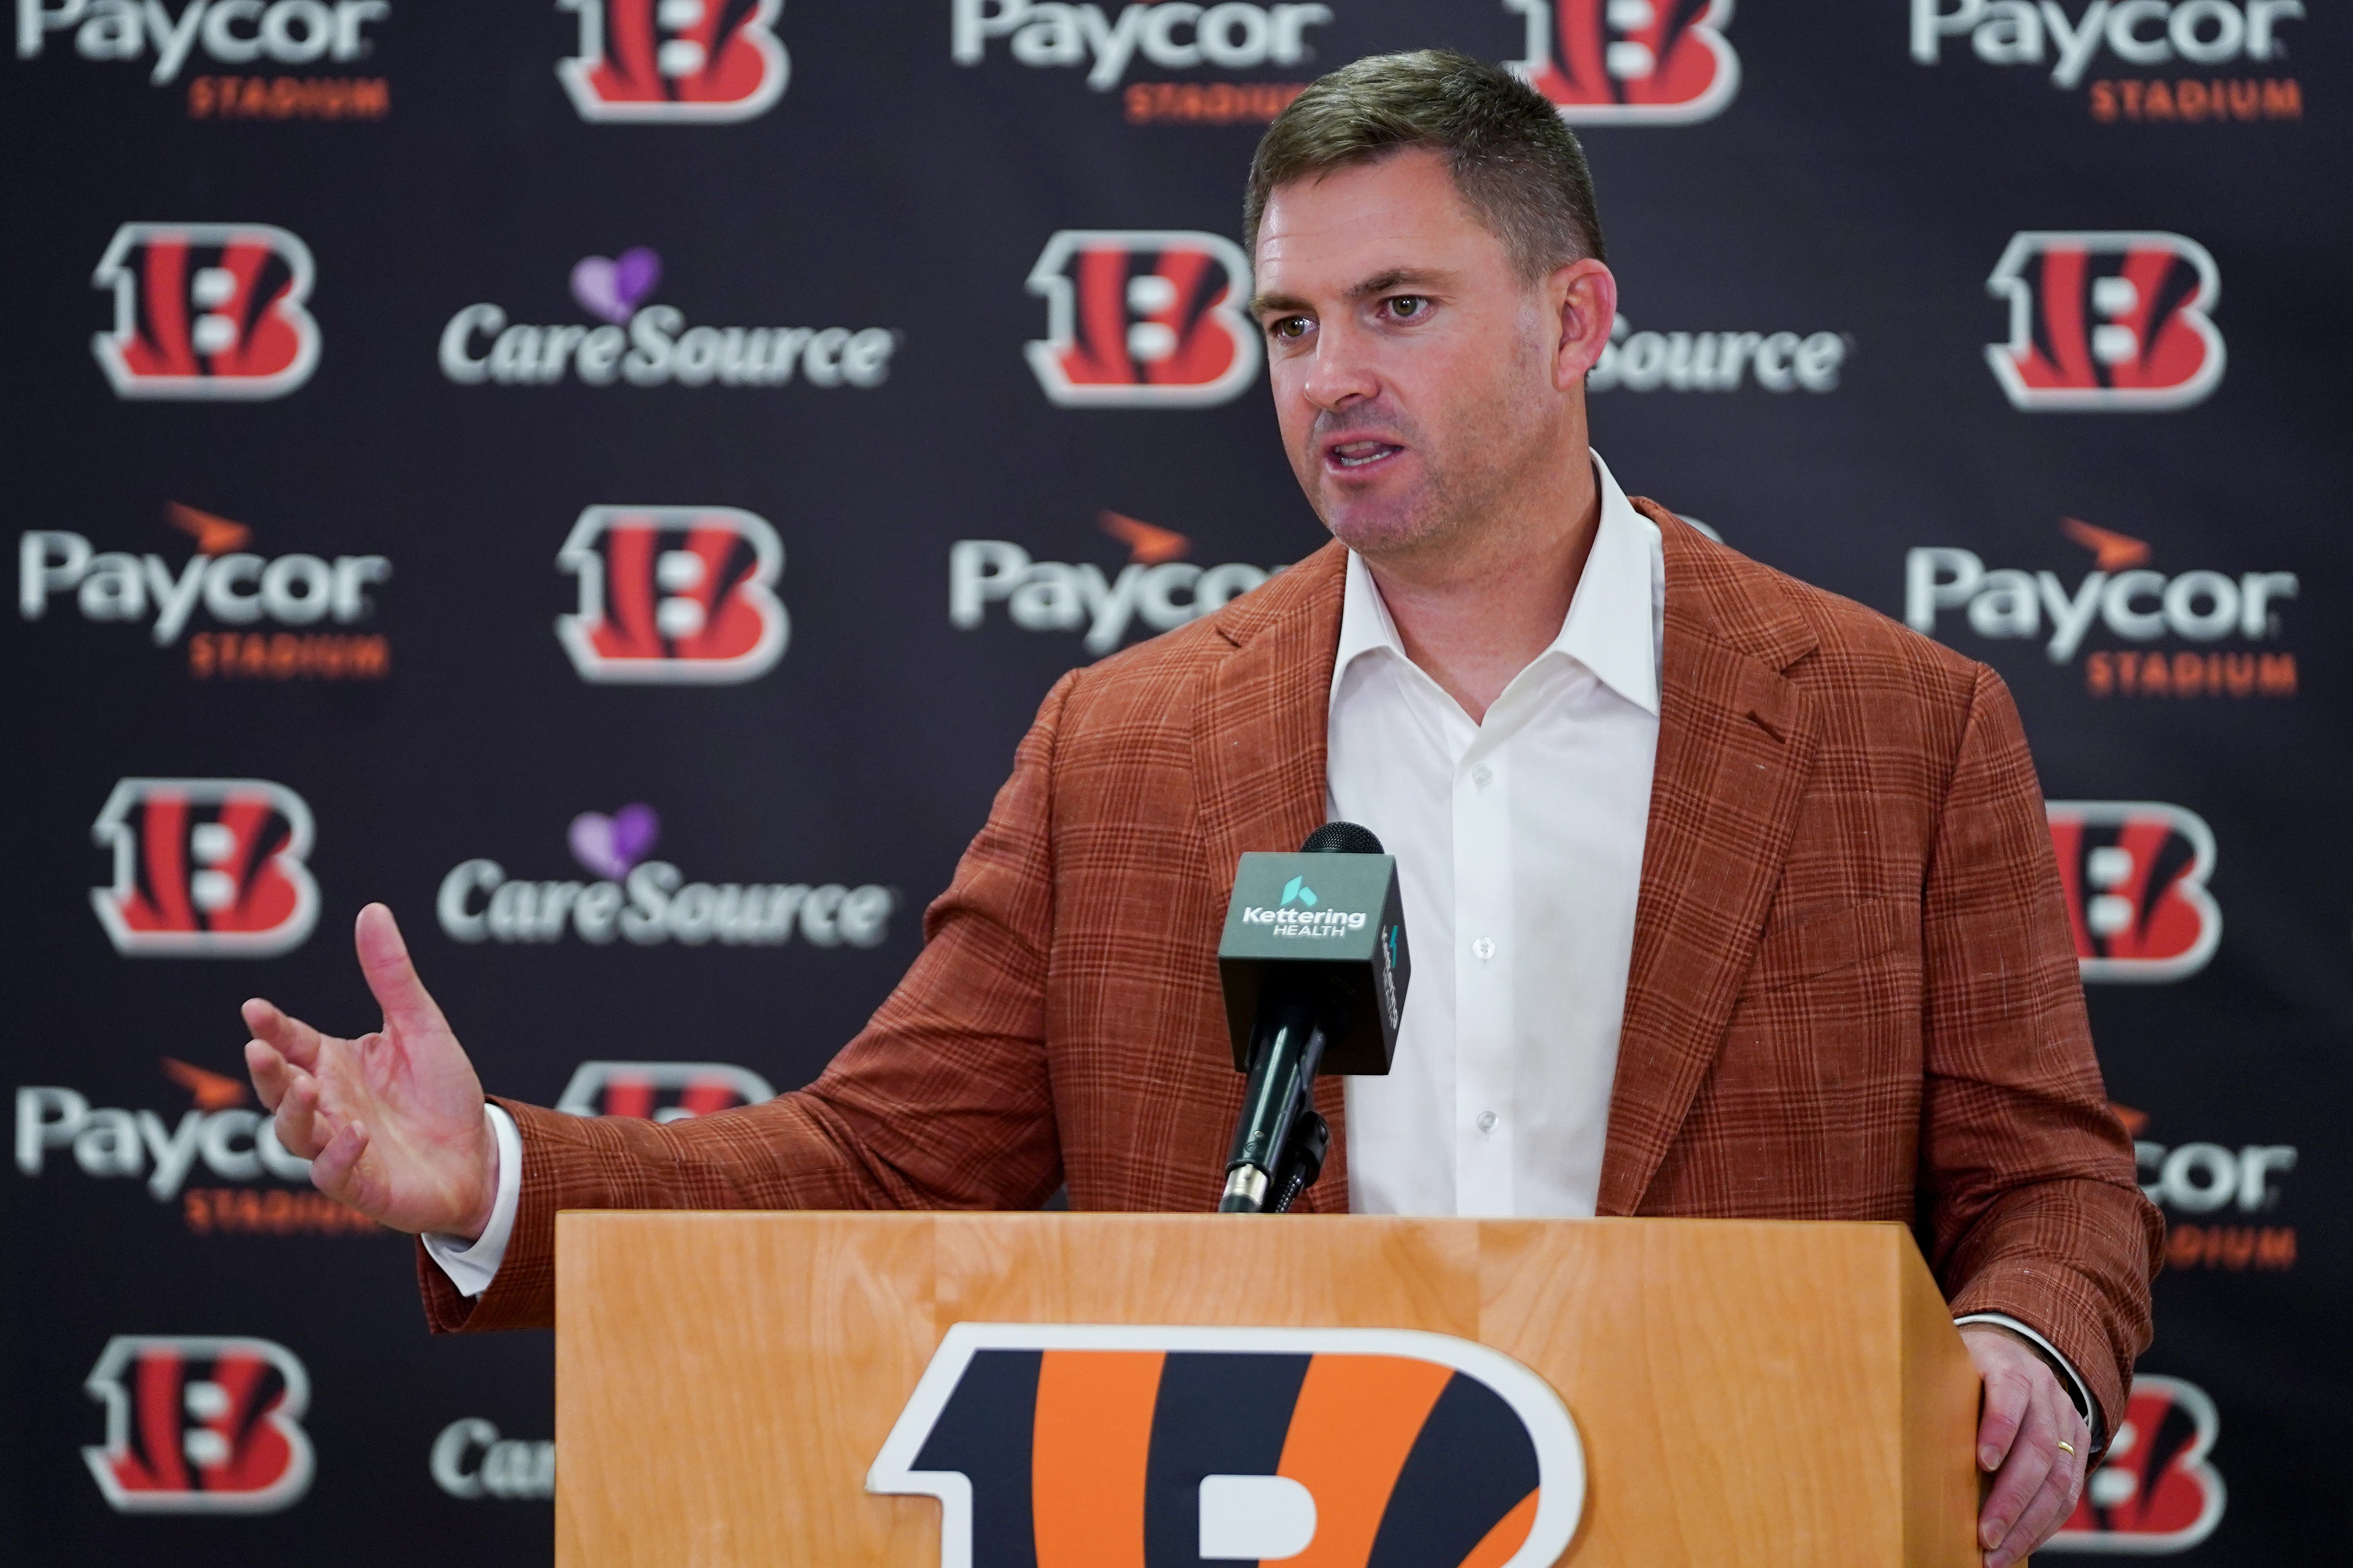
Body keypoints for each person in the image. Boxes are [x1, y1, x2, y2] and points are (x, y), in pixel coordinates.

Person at [241, 50, 2158, 1568]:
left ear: (1577, 322)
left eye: (1399, 305)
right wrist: (493, 1176)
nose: (1334, 377)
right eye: (1291, 325)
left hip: (1746, 1533)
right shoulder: (1129, 745)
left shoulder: (1896, 727)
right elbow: (884, 1175)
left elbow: (2049, 1183)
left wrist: (2022, 1348)